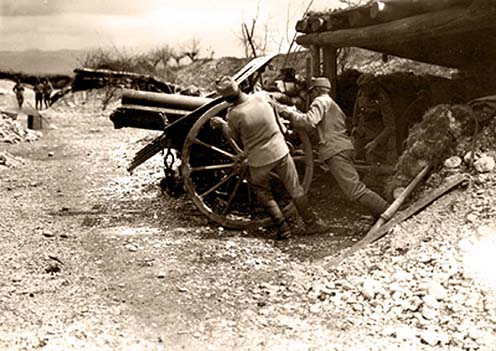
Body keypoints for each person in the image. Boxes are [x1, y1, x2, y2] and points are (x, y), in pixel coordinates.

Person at [211, 75, 328, 239]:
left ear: (227, 98)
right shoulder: (261, 96)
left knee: (262, 191)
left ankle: (283, 228)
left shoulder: (234, 114)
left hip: (259, 160)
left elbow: (235, 137)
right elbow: (277, 115)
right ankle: (311, 223)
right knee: (295, 188)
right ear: (238, 88)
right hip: (280, 151)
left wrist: (222, 124)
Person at [278, 77, 389, 218]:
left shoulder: (320, 101)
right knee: (355, 187)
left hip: (335, 150)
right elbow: (320, 128)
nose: (310, 96)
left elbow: (309, 122)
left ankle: (390, 212)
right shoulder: (332, 105)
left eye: (311, 92)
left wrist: (288, 114)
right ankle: (381, 214)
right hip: (342, 147)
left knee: (354, 189)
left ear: (317, 90)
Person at [351, 74, 397, 164]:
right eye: (361, 88)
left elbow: (390, 127)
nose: (363, 91)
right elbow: (356, 110)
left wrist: (376, 142)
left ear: (372, 86)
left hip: (376, 136)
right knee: (356, 160)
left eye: (365, 88)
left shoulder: (382, 98)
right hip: (361, 133)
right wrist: (354, 126)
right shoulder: (361, 92)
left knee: (375, 166)